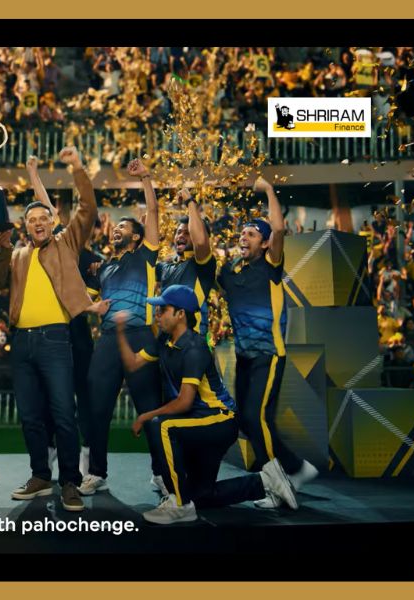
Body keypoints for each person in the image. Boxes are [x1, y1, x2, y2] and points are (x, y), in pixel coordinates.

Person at [115, 286, 298, 525]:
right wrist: (120, 331)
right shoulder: (164, 341)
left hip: (220, 420)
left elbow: (184, 402)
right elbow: (132, 363)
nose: (156, 314)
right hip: (198, 422)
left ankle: (179, 506)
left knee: (161, 425)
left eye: (163, 309)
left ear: (180, 314)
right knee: (200, 495)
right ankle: (263, 482)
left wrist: (145, 416)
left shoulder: (195, 347)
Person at [0, 146, 99, 512]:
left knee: (63, 414)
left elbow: (88, 208)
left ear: (52, 222)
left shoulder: (66, 243)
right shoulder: (19, 254)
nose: (38, 223)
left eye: (43, 218)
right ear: (25, 226)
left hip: (55, 340)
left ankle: (69, 482)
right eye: (32, 219)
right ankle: (39, 475)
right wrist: (1, 250)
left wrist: (77, 167)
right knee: (30, 416)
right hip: (21, 343)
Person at [216, 177, 318, 509]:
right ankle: (296, 468)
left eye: (251, 234)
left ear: (264, 243)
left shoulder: (271, 266)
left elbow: (279, 228)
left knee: (254, 416)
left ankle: (277, 483)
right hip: (244, 357)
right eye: (242, 233)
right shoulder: (231, 272)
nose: (243, 237)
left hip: (269, 355)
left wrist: (270, 190)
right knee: (248, 421)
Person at [79, 158, 165, 497]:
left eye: (124, 226)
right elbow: (81, 298)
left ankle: (162, 473)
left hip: (141, 336)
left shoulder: (146, 256)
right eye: (115, 226)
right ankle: (96, 473)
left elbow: (153, 212)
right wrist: (91, 306)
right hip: (107, 341)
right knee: (97, 408)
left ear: (138, 236)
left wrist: (146, 177)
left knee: (149, 408)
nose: (116, 228)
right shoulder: (103, 268)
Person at [156, 188, 217, 338]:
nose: (181, 236)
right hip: (165, 339)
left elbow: (200, 241)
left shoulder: (202, 265)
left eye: (187, 233)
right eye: (179, 232)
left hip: (191, 339)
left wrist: (190, 202)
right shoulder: (165, 265)